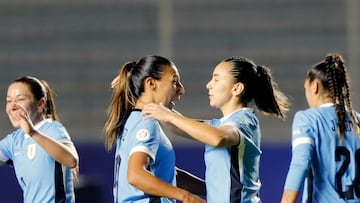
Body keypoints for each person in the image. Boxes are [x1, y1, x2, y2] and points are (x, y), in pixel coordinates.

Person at [142, 56, 290, 203]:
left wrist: (169, 115)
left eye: (216, 79)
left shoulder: (244, 121)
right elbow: (177, 126)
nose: (209, 85)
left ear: (237, 88)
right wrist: (136, 87)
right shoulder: (219, 124)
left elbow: (218, 138)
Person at [104, 55, 206, 203]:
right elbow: (136, 175)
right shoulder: (146, 123)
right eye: (174, 81)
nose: (181, 89)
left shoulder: (132, 120)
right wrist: (186, 197)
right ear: (151, 83)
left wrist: (209, 188)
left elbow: (166, 175)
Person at [280, 53, 360, 203]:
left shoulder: (308, 119)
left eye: (306, 88)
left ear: (314, 86)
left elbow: (300, 163)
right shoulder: (357, 120)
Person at [0, 76, 79, 203]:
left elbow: (71, 160)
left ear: (41, 104)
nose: (13, 106)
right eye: (9, 101)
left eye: (20, 99)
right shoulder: (14, 140)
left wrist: (33, 133)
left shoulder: (52, 129)